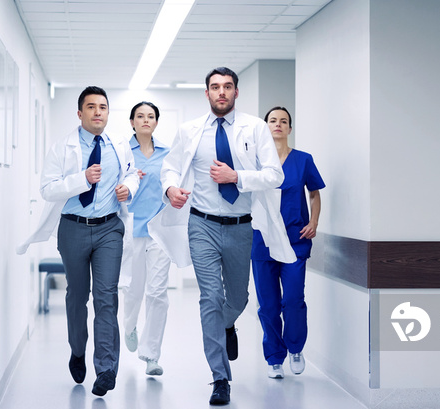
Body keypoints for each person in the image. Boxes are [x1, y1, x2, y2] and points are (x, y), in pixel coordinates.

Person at [148, 67, 296, 405]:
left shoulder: (256, 129)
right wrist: (170, 188)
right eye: (215, 87)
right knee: (209, 298)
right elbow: (170, 167)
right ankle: (219, 377)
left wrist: (237, 176)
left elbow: (274, 175)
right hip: (201, 224)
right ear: (207, 93)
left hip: (241, 225)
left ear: (236, 92)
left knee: (239, 299)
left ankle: (226, 324)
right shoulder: (189, 131)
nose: (221, 92)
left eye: (227, 87)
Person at [16, 86, 139, 397]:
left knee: (106, 296)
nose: (98, 112)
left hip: (110, 228)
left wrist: (128, 187)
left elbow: (132, 174)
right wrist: (82, 179)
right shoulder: (63, 148)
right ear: (80, 113)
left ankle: (106, 368)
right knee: (76, 297)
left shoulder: (118, 146)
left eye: (103, 107)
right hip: (73, 228)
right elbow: (47, 189)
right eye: (91, 107)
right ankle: (77, 349)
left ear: (109, 113)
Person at [253, 106, 325, 379]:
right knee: (268, 304)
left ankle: (295, 347)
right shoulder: (256, 162)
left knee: (293, 299)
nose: (278, 125)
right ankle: (274, 358)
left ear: (290, 128)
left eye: (283, 121)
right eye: (273, 120)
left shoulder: (303, 160)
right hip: (263, 241)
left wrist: (314, 222)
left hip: (295, 240)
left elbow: (315, 194)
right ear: (265, 126)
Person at [120, 101, 171, 376]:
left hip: (159, 231)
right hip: (133, 229)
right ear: (132, 122)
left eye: (150, 116)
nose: (145, 120)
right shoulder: (123, 152)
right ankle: (129, 326)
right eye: (140, 116)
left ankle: (151, 355)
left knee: (158, 292)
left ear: (156, 122)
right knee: (133, 289)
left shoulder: (168, 153)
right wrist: (129, 179)